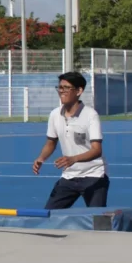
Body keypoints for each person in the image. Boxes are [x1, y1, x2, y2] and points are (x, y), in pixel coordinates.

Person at [32, 71, 109, 209]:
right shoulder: (55, 114)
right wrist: (41, 158)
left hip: (94, 176)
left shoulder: (90, 115)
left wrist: (73, 159)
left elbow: (97, 150)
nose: (62, 91)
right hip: (69, 176)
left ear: (79, 91)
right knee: (50, 215)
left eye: (67, 88)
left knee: (98, 219)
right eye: (60, 87)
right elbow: (51, 143)